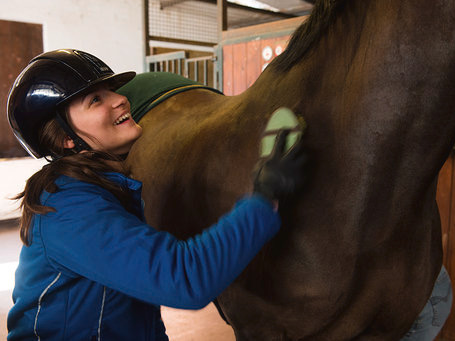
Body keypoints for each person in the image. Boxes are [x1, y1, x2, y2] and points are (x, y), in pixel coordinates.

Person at [6, 49, 306, 340]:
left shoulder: (104, 189)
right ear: (64, 138)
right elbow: (185, 278)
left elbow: (137, 322)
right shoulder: (69, 207)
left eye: (112, 90)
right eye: (96, 100)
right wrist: (267, 195)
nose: (121, 100)